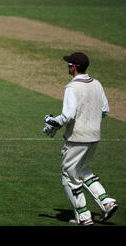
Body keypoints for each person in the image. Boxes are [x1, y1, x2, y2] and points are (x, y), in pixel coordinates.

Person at [43, 52, 118, 225]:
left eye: (69, 64)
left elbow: (68, 115)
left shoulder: (72, 87)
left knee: (68, 176)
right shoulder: (97, 84)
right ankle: (107, 202)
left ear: (74, 67)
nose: (67, 66)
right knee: (82, 169)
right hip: (94, 136)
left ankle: (84, 217)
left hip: (77, 138)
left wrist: (54, 122)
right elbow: (105, 109)